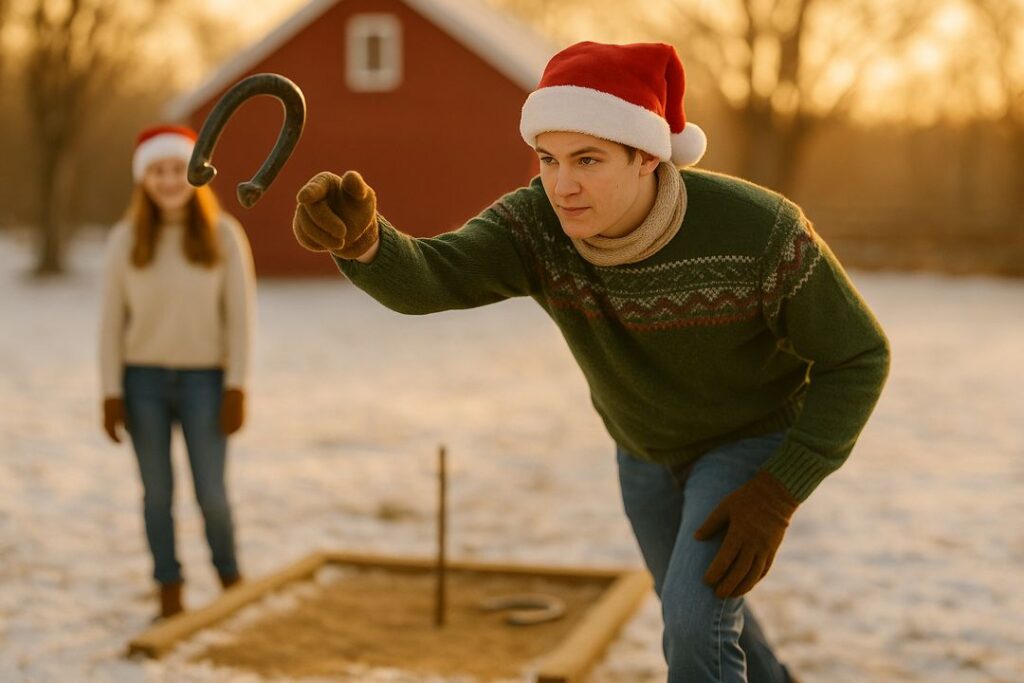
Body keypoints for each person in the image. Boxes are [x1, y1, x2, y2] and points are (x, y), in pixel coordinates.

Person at [291, 41, 890, 683]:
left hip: (746, 444)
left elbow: (858, 355)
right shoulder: (538, 226)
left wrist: (777, 491)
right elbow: (433, 277)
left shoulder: (760, 231)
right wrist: (364, 242)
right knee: (703, 614)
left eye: (587, 160)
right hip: (641, 452)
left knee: (692, 630)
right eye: (548, 159)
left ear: (645, 157)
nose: (562, 183)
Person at [98, 124, 256, 620]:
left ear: (196, 174)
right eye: (157, 171)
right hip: (141, 382)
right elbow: (109, 323)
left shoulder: (223, 235)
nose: (168, 180)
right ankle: (169, 585)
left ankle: (229, 574)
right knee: (157, 494)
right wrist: (109, 393)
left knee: (212, 492)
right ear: (143, 179)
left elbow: (241, 318)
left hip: (205, 383)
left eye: (177, 170)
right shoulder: (125, 239)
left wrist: (237, 386)